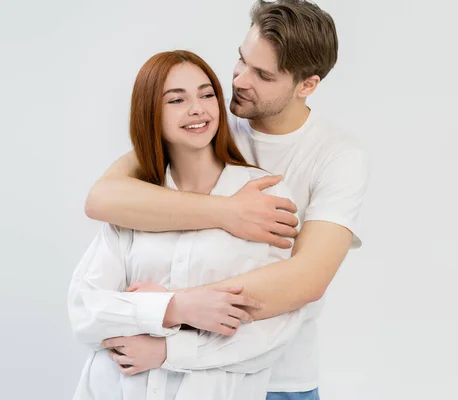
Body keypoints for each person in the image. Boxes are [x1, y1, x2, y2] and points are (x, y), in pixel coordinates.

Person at [84, 1, 369, 399]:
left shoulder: (337, 155)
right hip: (177, 379)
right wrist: (227, 212)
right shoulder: (208, 122)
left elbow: (306, 279)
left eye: (263, 75)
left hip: (276, 374)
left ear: (307, 85)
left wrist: (172, 307)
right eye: (241, 60)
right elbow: (103, 198)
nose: (238, 80)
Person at [68, 50, 307, 400]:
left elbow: (274, 328)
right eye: (177, 99)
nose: (198, 108)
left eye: (207, 94)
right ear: (150, 112)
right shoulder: (137, 202)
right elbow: (85, 311)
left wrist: (168, 350)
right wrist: (175, 308)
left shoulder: (264, 192)